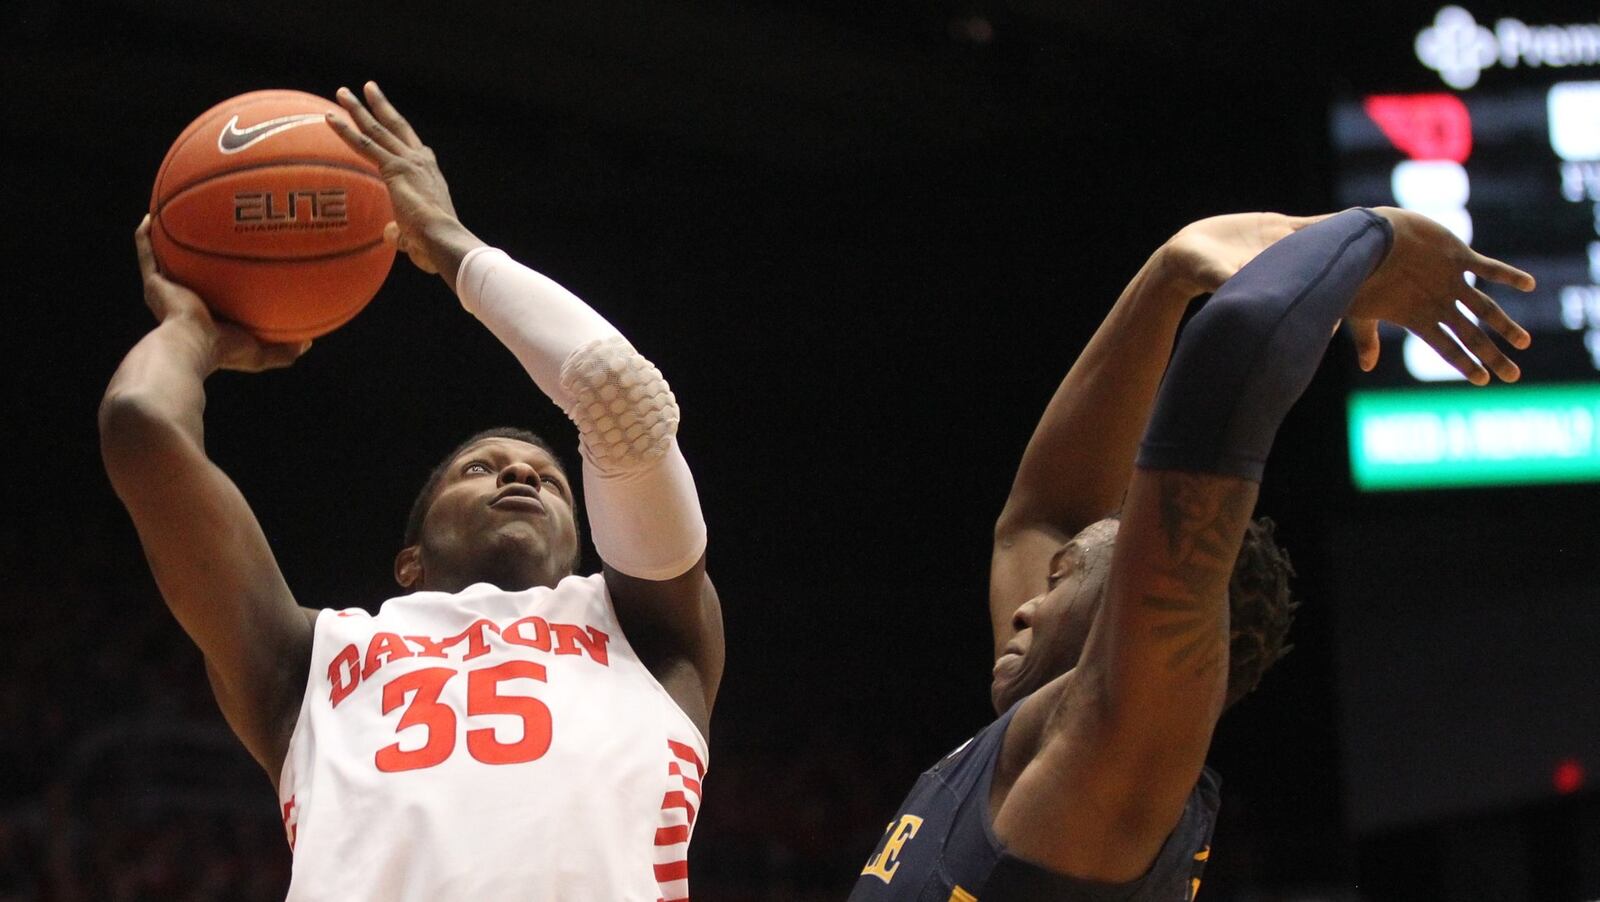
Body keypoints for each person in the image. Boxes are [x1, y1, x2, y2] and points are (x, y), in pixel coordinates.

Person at [99, 82, 722, 901]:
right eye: (480, 467)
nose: (522, 473)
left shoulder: (648, 633)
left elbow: (619, 399)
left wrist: (450, 242)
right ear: (408, 561)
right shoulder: (304, 661)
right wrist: (193, 332)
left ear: (592, 545)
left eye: (551, 479)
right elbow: (141, 424)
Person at [849, 207, 1534, 900]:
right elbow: (1044, 517)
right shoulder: (1042, 744)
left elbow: (1231, 356)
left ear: (1133, 611)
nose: (1026, 606)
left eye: (1063, 580)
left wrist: (1374, 237)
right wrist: (1169, 274)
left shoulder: (1116, 750)